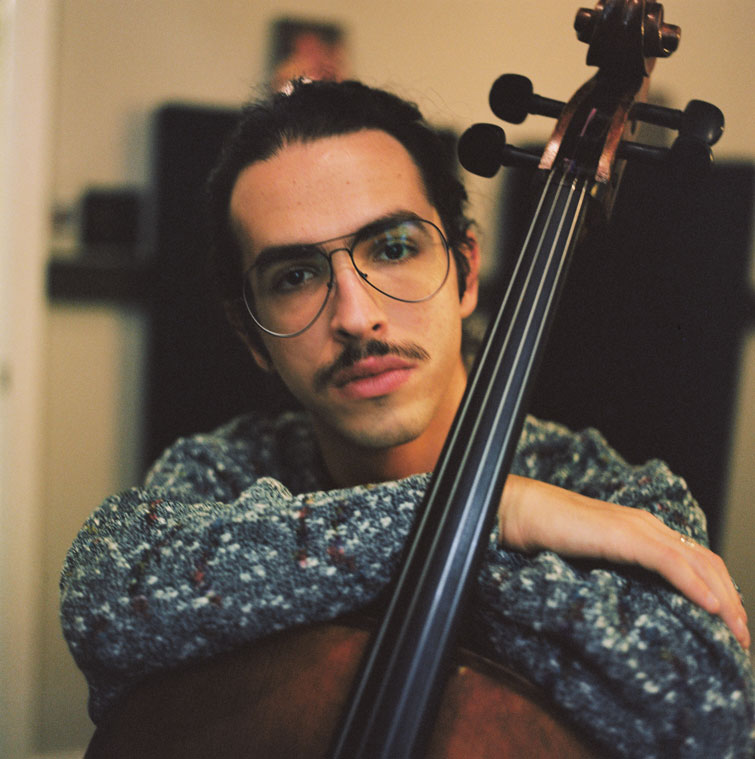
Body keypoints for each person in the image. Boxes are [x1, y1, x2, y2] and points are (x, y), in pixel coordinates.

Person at [60, 80, 754, 757]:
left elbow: (708, 721)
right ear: (252, 338)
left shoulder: (615, 494)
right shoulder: (225, 471)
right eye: (295, 275)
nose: (356, 317)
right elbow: (104, 600)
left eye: (392, 248)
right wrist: (488, 511)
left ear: (466, 270)